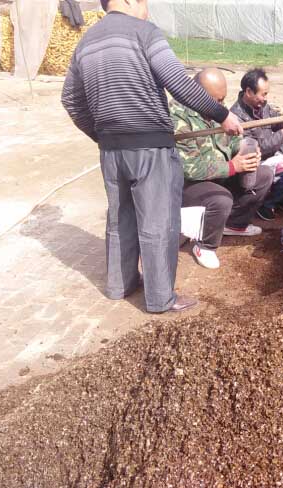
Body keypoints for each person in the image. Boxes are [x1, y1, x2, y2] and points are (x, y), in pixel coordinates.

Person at [61, 0, 243, 314]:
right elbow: (179, 84)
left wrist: (102, 134)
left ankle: (121, 285)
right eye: (145, 3)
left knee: (120, 219)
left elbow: (71, 101)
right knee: (158, 222)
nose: (147, 10)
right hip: (151, 149)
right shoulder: (144, 33)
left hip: (112, 152)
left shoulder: (86, 42)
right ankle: (160, 299)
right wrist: (222, 114)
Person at [172, 68, 273, 270]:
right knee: (221, 199)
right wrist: (233, 166)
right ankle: (205, 246)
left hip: (222, 173)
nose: (220, 105)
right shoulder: (178, 117)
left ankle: (234, 224)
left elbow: (234, 139)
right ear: (195, 93)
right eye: (215, 101)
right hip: (190, 184)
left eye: (222, 100)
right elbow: (190, 168)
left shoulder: (218, 109)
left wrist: (247, 152)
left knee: (264, 175)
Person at [230, 68, 283, 221]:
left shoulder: (262, 106)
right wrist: (281, 135)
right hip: (254, 164)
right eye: (263, 94)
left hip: (270, 157)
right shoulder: (236, 118)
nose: (265, 98)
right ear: (249, 92)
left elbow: (273, 119)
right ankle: (265, 205)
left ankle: (279, 198)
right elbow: (255, 148)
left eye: (266, 93)